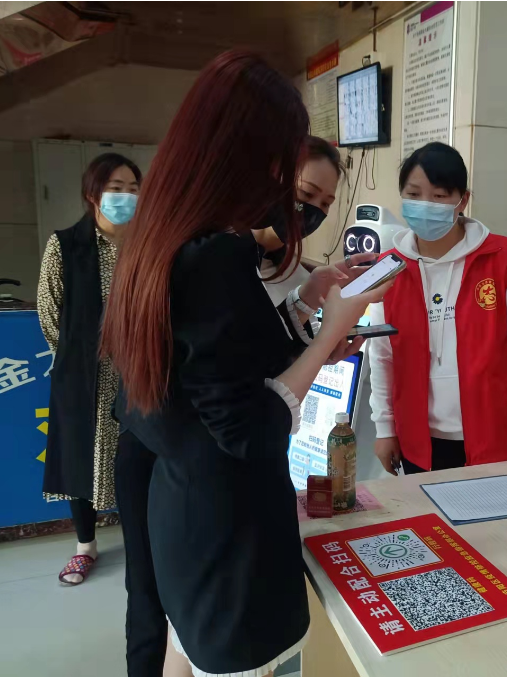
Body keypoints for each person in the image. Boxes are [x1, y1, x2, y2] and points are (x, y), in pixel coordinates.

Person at [101, 50, 390, 677]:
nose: (286, 191)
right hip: (228, 536)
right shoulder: (216, 256)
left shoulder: (160, 240)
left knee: (182, 649)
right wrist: (328, 336)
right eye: (285, 166)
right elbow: (250, 429)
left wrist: (304, 306)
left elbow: (218, 367)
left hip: (182, 513)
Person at [370, 142, 507, 475]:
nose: (425, 204)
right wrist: (384, 429)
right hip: (420, 440)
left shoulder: (499, 257)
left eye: (439, 196)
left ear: (462, 200)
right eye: (414, 194)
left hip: (495, 433)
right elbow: (382, 355)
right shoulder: (389, 268)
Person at [37, 152, 141, 585]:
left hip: (138, 374)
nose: (126, 197)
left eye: (133, 189)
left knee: (136, 458)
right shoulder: (65, 245)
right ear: (93, 193)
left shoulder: (146, 247)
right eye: (116, 188)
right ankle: (85, 546)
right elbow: (49, 312)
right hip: (83, 373)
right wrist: (79, 357)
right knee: (81, 457)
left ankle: (142, 545)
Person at [255, 135, 347, 306]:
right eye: (306, 193)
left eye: (326, 203)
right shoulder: (224, 256)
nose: (314, 210)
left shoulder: (297, 275)